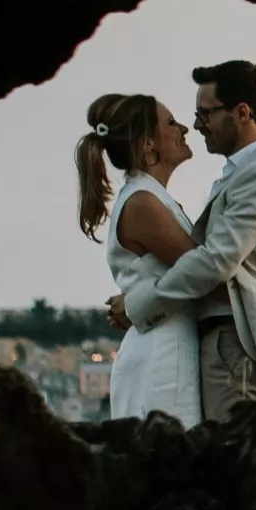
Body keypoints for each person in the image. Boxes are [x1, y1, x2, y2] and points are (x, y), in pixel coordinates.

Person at [115, 59, 256, 416]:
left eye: (206, 113)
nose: (198, 125)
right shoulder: (250, 172)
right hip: (233, 344)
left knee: (231, 448)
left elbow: (214, 262)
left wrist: (139, 303)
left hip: (236, 344)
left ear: (242, 113)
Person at [73, 91, 202, 423]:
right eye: (171, 123)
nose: (184, 129)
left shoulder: (149, 197)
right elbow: (202, 273)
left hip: (165, 351)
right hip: (163, 358)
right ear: (148, 146)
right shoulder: (143, 203)